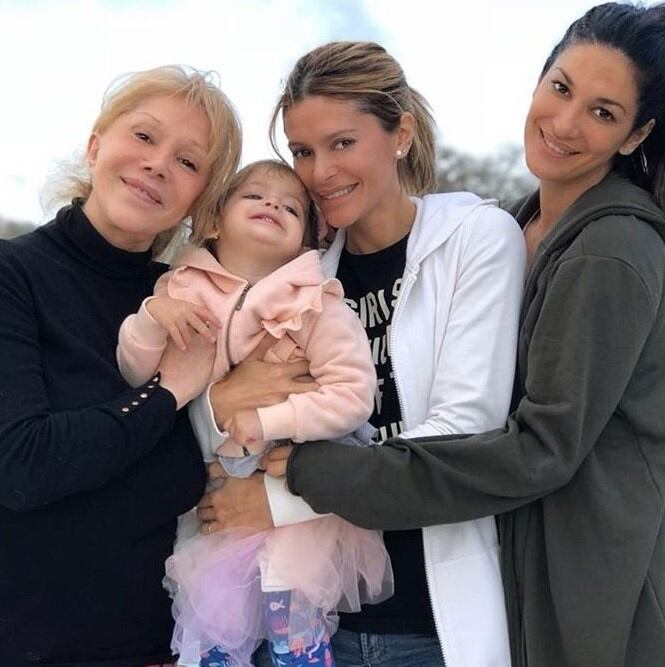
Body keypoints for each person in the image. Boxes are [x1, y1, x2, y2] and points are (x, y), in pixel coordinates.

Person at [262, 3, 665, 666]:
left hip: (610, 611)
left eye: (601, 112)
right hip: (530, 590)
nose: (562, 123)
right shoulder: (520, 226)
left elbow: (539, 448)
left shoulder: (609, 250)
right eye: (560, 89)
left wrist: (313, 475)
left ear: (633, 135)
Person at [191, 42, 526, 666]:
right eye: (303, 151)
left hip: (429, 624)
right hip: (298, 619)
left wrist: (275, 500)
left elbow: (462, 435)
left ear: (401, 133)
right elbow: (218, 407)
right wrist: (217, 408)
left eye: (341, 143)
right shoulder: (299, 274)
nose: (318, 173)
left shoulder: (476, 240)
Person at [0, 65, 242, 666]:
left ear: (200, 198)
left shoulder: (198, 308)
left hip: (164, 648)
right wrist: (165, 395)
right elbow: (22, 465)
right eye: (143, 136)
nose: (159, 163)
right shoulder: (14, 276)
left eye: (188, 162)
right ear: (94, 145)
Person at [116, 159, 392, 667]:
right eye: (255, 197)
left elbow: (354, 394)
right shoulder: (179, 290)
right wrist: (153, 318)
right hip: (215, 496)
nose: (272, 206)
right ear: (216, 221)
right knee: (212, 626)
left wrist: (270, 421)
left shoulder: (318, 305)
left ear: (307, 244)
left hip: (298, 493)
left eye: (290, 207)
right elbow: (138, 376)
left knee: (294, 632)